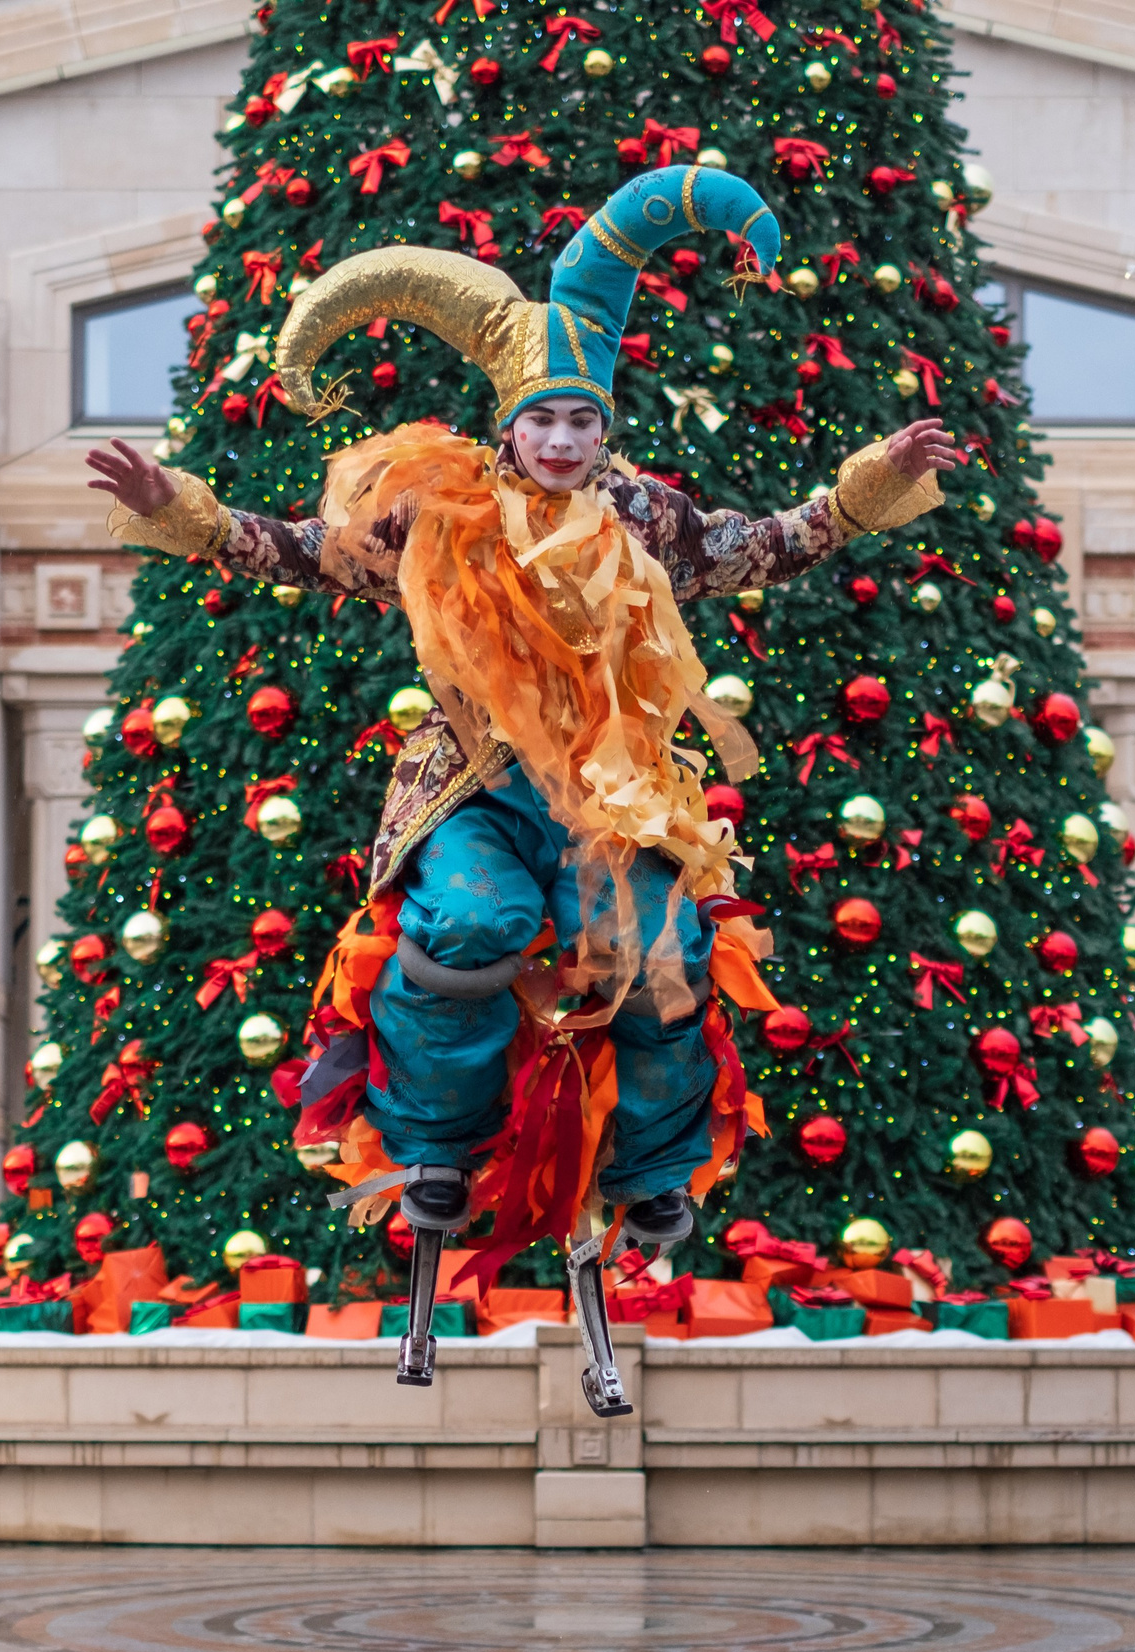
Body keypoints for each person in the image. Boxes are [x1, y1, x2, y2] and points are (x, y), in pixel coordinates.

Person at [91, 167, 961, 1406]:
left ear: (606, 430)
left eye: (584, 423)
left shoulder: (644, 519)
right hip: (476, 791)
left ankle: (651, 1174)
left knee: (661, 965)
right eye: (544, 422)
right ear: (510, 425)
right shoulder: (439, 516)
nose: (562, 442)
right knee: (470, 927)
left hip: (614, 801)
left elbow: (767, 542)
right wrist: (171, 506)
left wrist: (874, 478)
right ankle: (433, 1152)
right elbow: (297, 553)